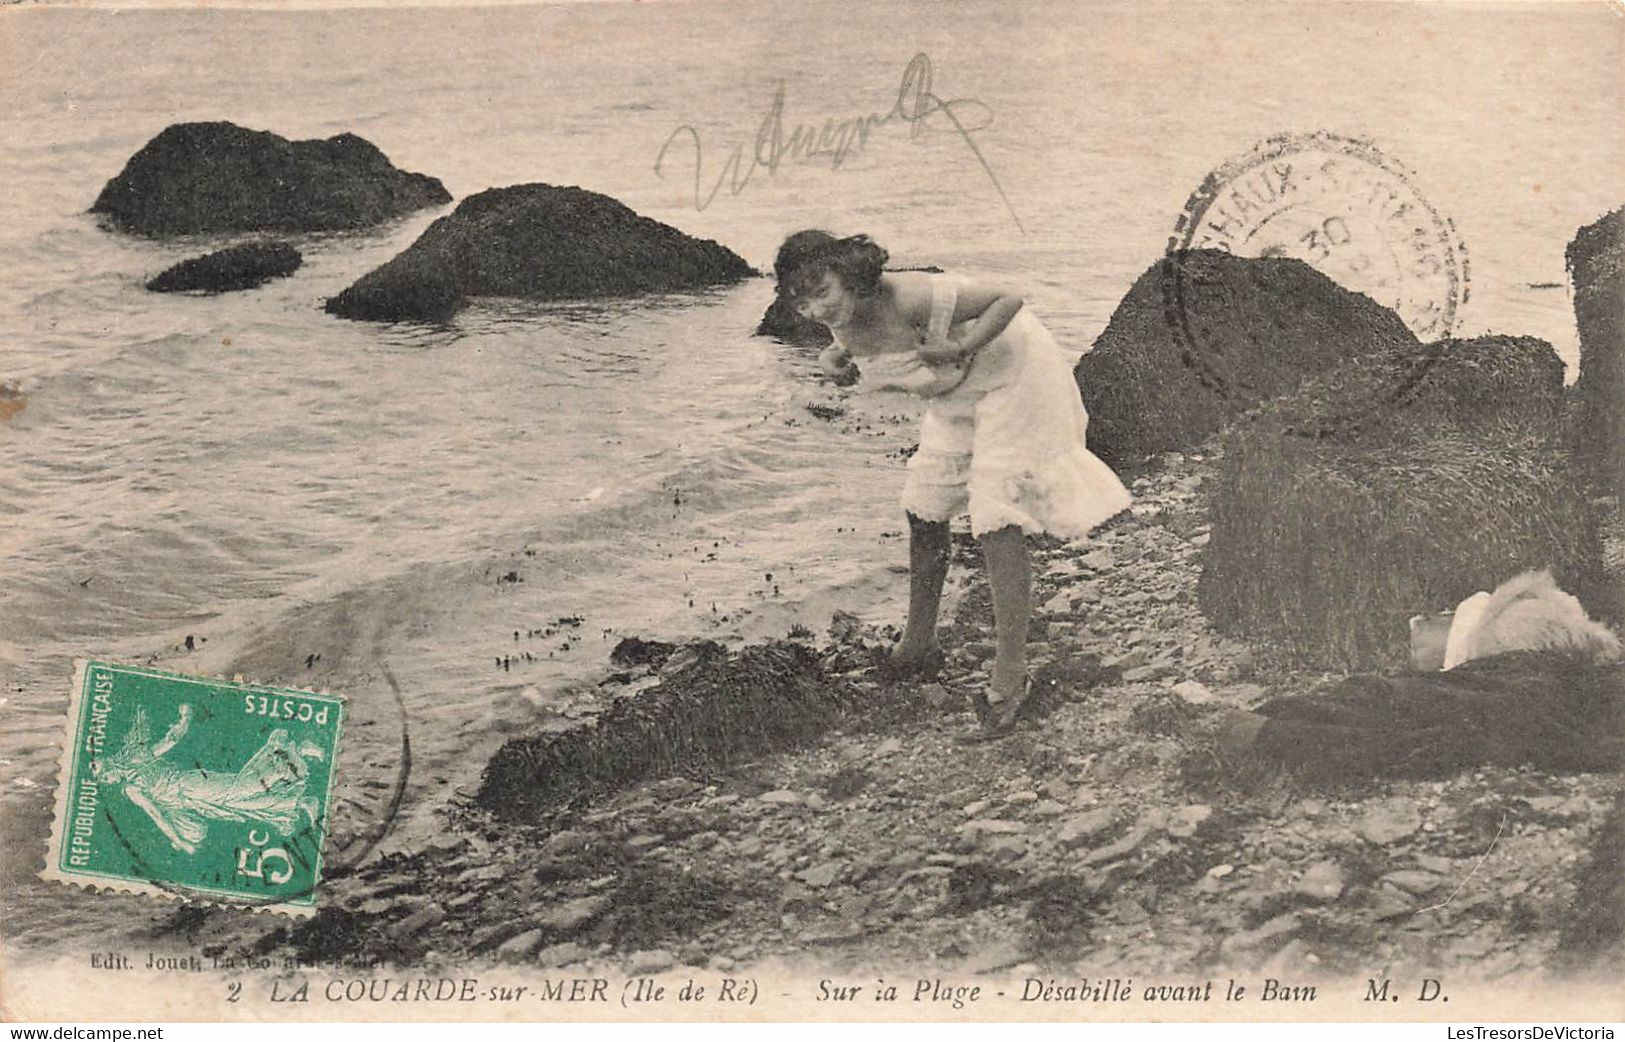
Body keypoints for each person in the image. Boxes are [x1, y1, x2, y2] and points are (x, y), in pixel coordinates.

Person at [774, 230, 1132, 736]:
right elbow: (852, 338)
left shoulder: (912, 295)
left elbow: (1008, 297)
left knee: (994, 515)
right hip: (959, 392)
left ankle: (1010, 677)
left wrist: (962, 342)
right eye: (801, 299)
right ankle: (917, 645)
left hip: (1015, 374)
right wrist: (829, 359)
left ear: (850, 277)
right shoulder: (845, 314)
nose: (815, 308)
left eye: (823, 292)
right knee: (924, 504)